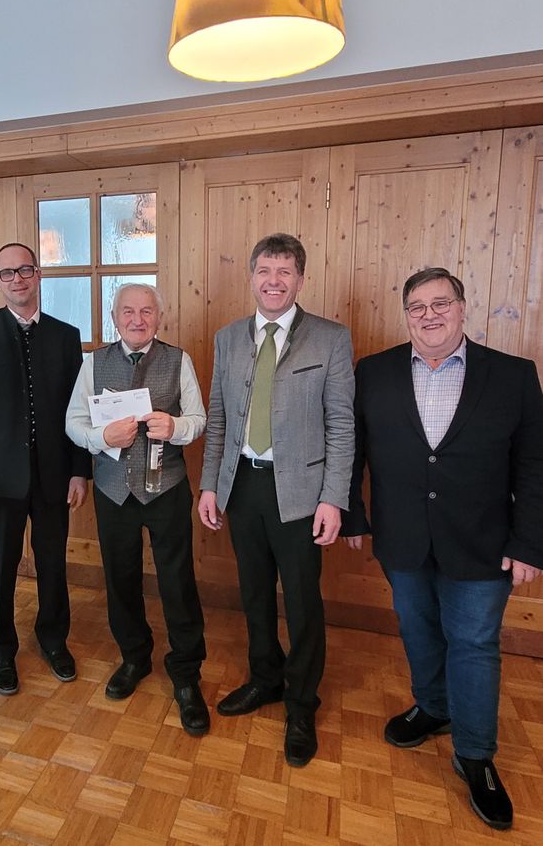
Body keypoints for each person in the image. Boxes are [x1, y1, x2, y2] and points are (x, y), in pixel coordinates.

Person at [341, 266, 543, 830]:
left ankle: (475, 756)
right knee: (417, 628)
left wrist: (530, 542)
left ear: (462, 307)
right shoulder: (374, 372)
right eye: (417, 307)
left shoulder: (512, 375)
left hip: (483, 541)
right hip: (402, 535)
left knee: (474, 643)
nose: (429, 315)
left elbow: (534, 465)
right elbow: (352, 447)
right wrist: (355, 512)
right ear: (406, 315)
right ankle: (433, 707)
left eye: (441, 303)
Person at [198, 233, 354, 766]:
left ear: (301, 280)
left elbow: (341, 424)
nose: (273, 281)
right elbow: (218, 416)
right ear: (251, 277)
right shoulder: (227, 338)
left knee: (303, 601)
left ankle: (301, 702)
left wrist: (335, 498)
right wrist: (211, 484)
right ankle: (265, 677)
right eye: (265, 270)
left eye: (284, 272)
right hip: (243, 485)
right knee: (255, 592)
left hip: (302, 493)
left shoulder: (331, 339)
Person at [66, 283, 209, 736]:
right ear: (114, 316)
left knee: (177, 581)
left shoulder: (178, 359)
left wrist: (177, 426)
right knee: (120, 578)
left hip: (166, 489)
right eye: (128, 311)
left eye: (147, 311)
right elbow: (73, 421)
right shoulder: (93, 362)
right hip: (113, 492)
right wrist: (100, 439)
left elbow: (201, 420)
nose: (137, 319)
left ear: (159, 317)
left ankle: (186, 672)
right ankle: (134, 656)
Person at [0, 242, 90, 695]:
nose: (17, 278)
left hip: (54, 475)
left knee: (53, 563)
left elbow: (79, 411)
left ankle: (53, 639)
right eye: (6, 272)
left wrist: (79, 470)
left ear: (37, 275)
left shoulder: (66, 335)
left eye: (25, 269)